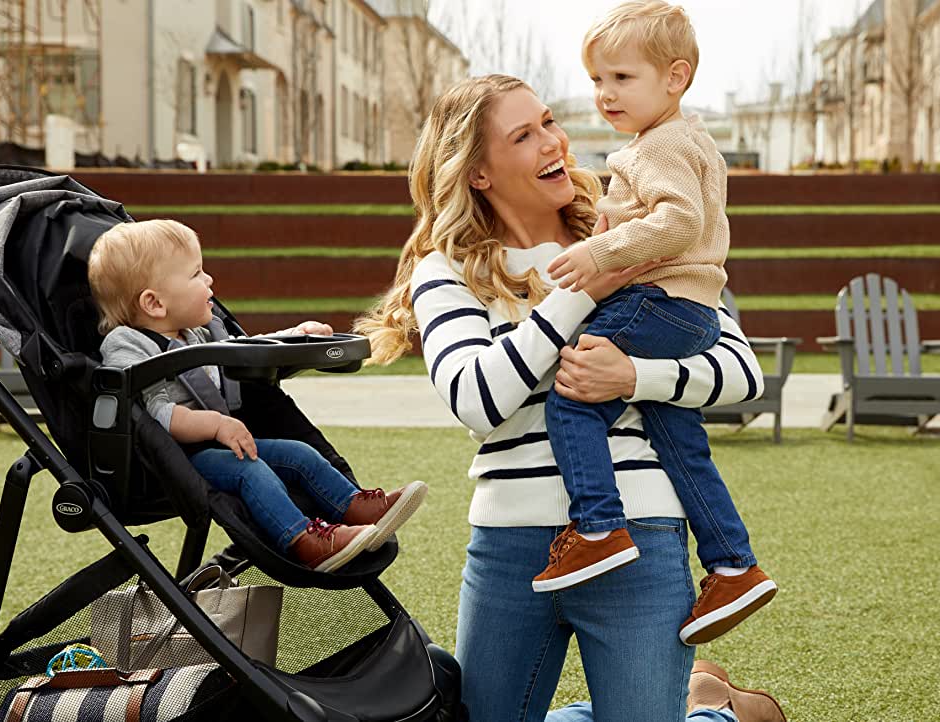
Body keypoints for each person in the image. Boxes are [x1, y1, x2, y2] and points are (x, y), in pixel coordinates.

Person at [355, 73, 775, 721]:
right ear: (478, 173)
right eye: (524, 135)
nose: (554, 142)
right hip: (508, 548)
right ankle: (711, 710)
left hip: (640, 536)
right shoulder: (447, 271)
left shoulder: (635, 230)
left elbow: (742, 372)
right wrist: (583, 291)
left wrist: (634, 380)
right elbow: (476, 398)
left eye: (549, 122)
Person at [536, 0, 775, 646]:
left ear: (675, 78)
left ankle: (596, 526)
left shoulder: (658, 145)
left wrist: (598, 251)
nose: (604, 94)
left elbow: (678, 222)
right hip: (694, 311)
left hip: (659, 301)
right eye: (597, 80)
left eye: (621, 78)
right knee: (681, 444)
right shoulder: (684, 137)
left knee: (573, 398)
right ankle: (732, 564)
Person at [88, 218, 427, 572]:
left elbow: (241, 349)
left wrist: (297, 335)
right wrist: (217, 425)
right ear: (154, 303)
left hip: (223, 442)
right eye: (196, 274)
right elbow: (154, 412)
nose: (209, 281)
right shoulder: (128, 344)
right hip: (179, 460)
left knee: (298, 453)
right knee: (250, 472)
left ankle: (354, 505)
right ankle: (305, 542)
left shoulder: (195, 334)